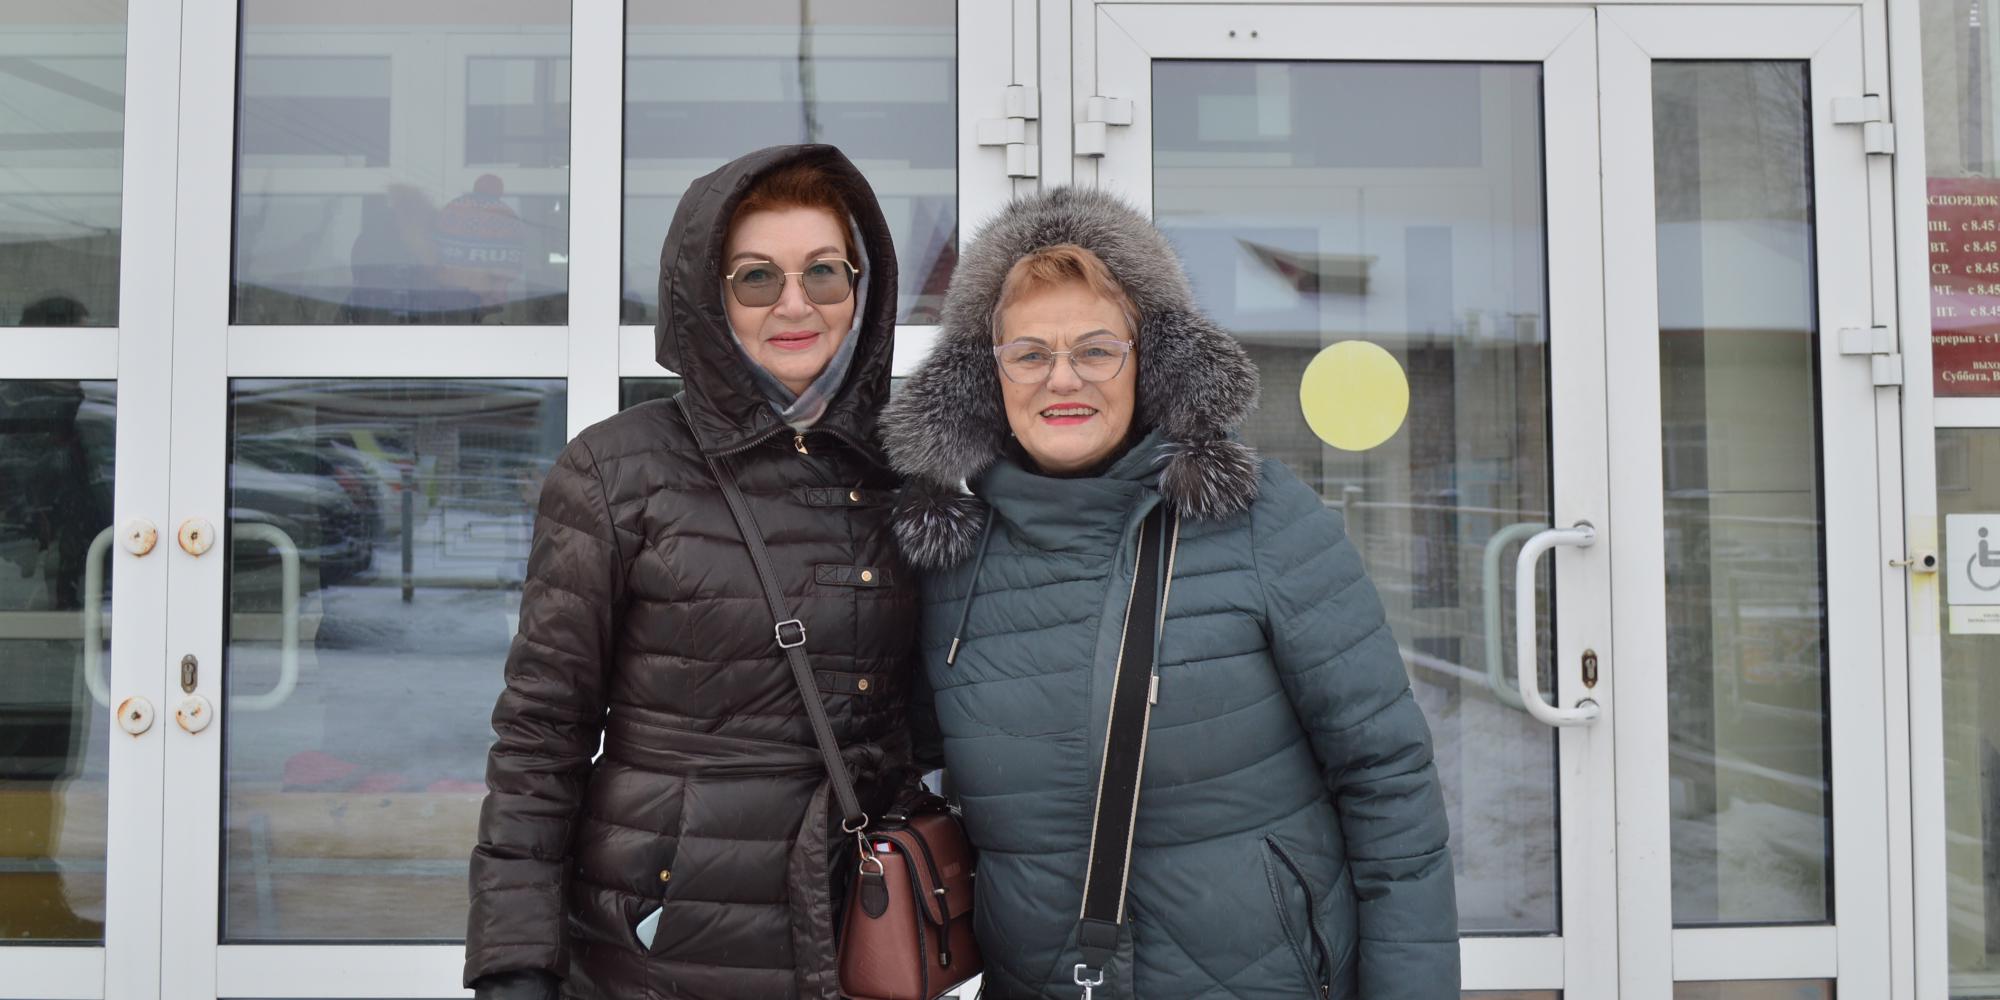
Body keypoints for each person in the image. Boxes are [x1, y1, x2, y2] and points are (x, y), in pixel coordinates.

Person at [881, 187, 1459, 999]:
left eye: (1096, 350)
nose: (1062, 380)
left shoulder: (1259, 521)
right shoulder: (953, 564)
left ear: (1150, 358)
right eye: (1030, 354)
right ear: (985, 375)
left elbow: (1386, 779)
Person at [464, 144, 921, 1000]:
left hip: (860, 927)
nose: (795, 304)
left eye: (824, 273)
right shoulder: (616, 470)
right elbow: (542, 733)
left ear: (862, 288)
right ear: (709, 298)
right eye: (757, 278)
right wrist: (515, 957)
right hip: (662, 938)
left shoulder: (908, 469)